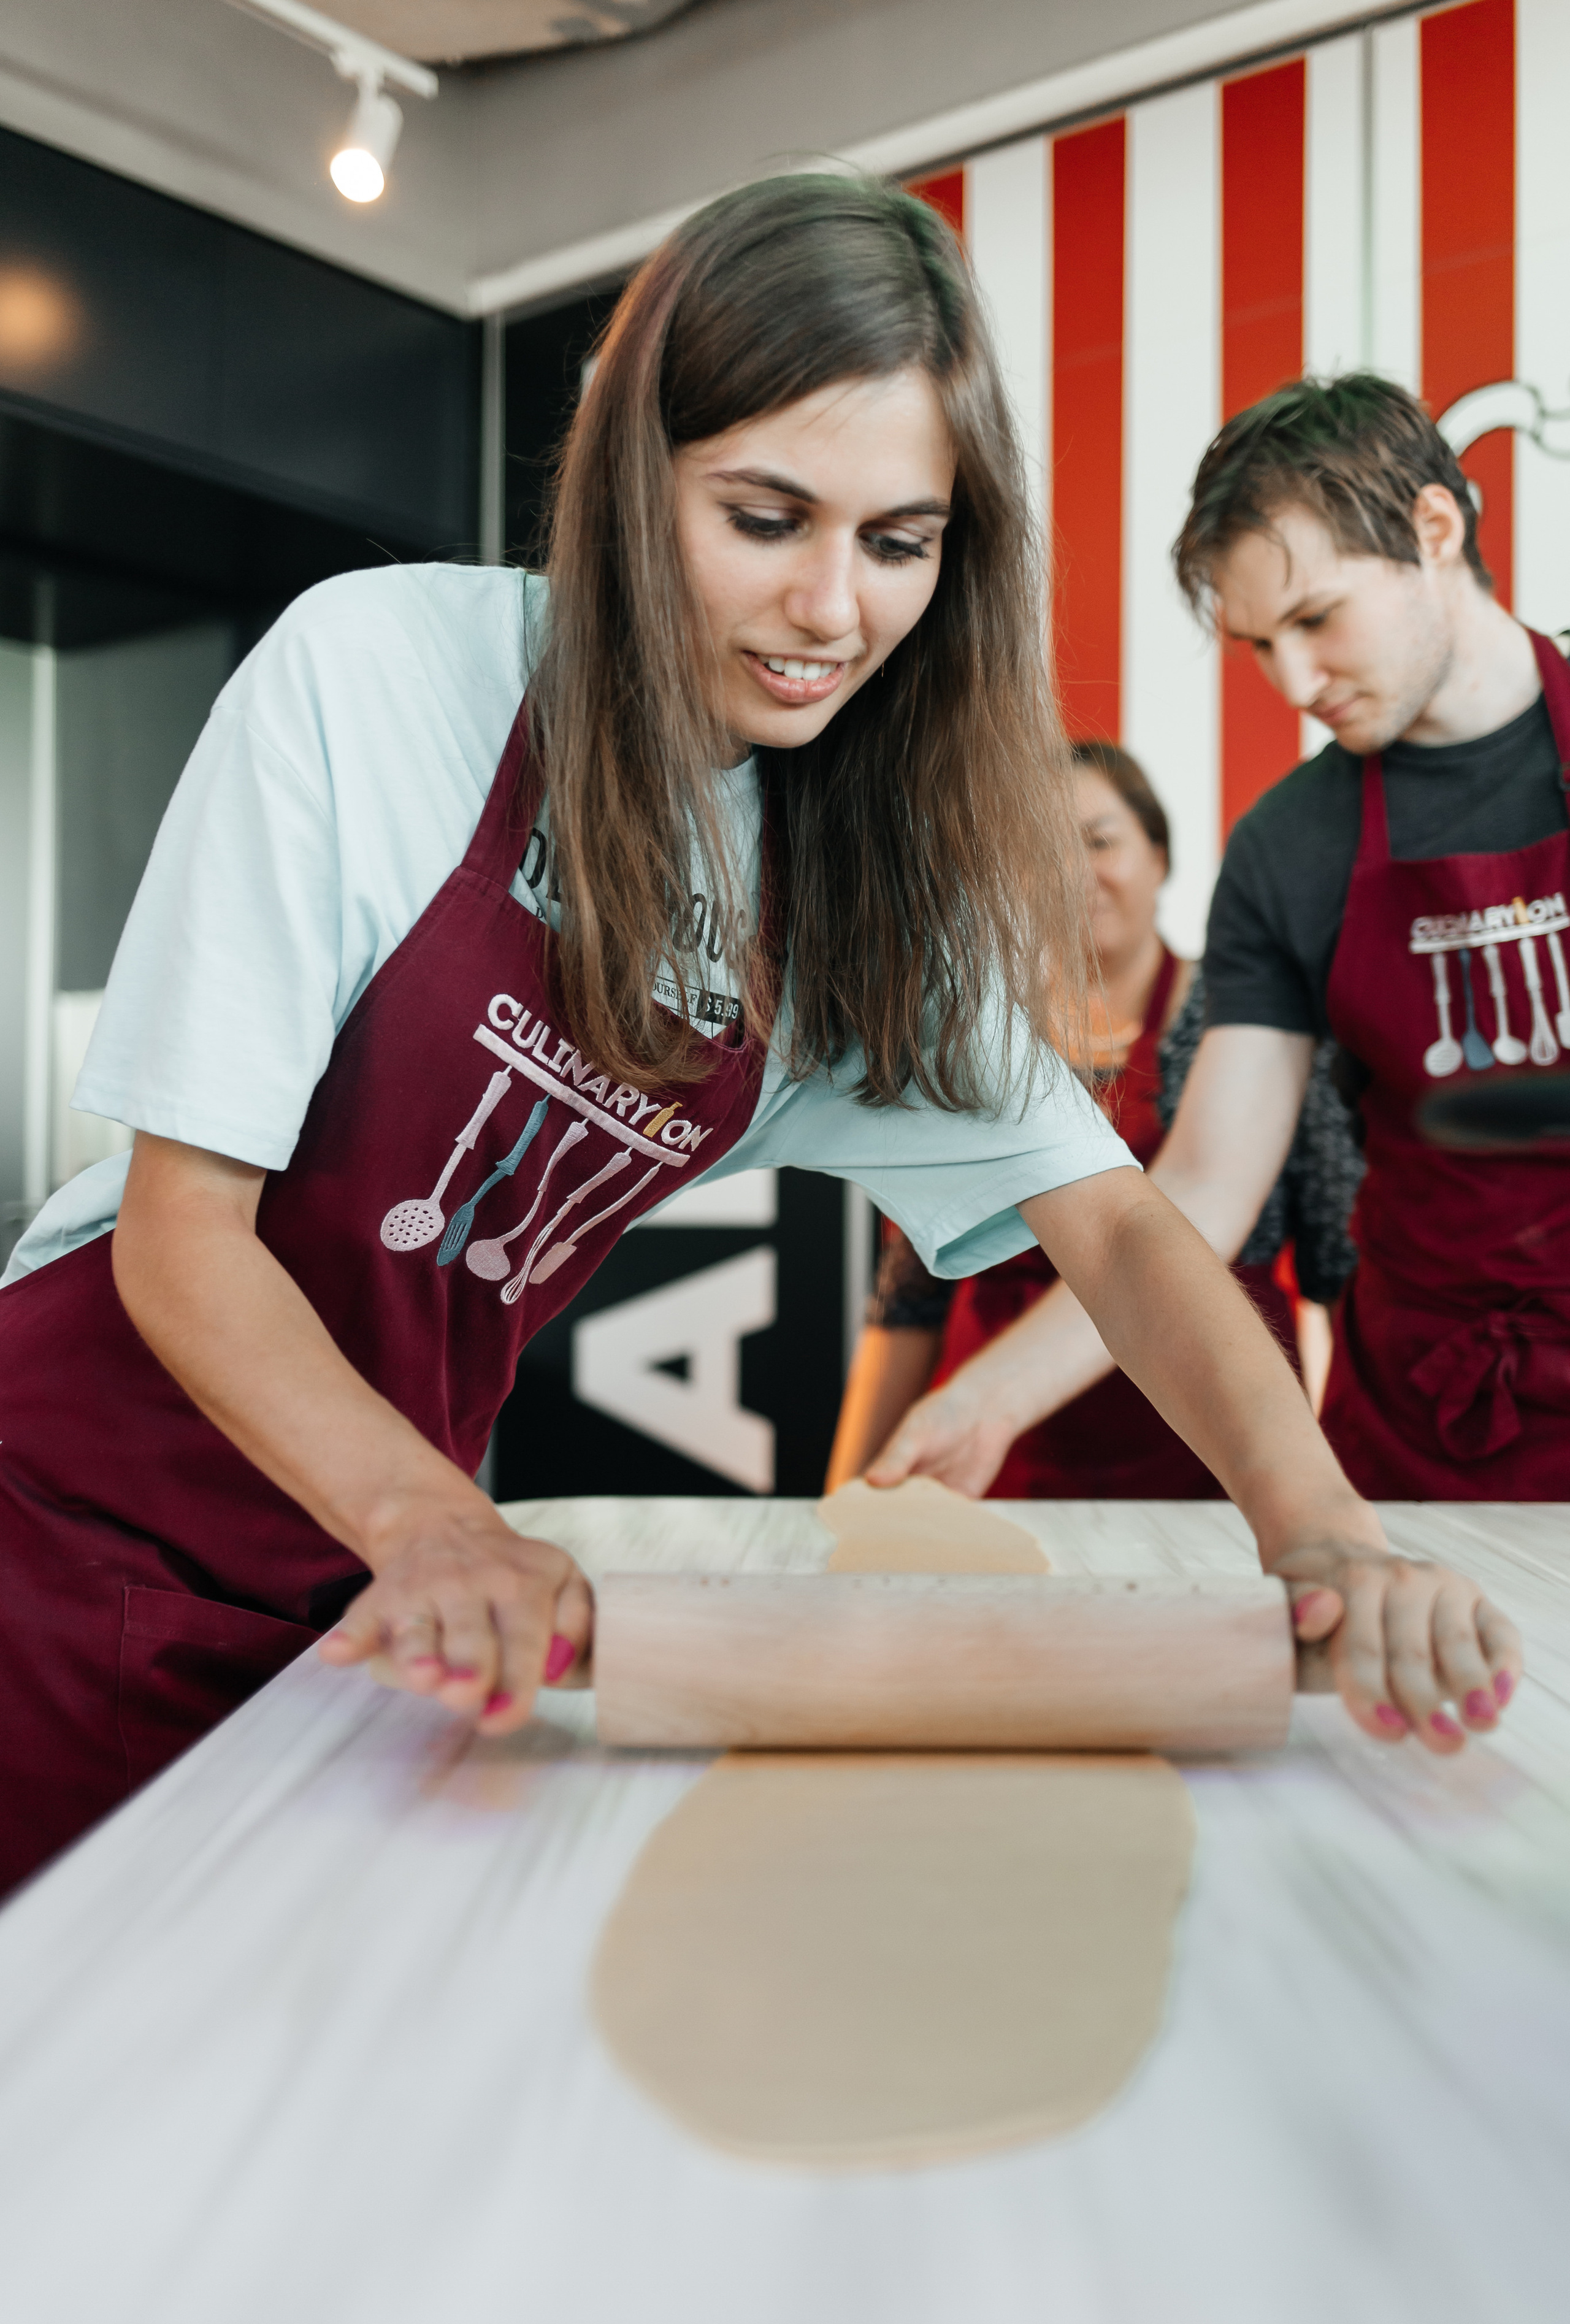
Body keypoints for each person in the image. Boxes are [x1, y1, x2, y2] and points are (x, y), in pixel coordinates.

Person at [0, 210, 1517, 1897]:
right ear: (631, 477)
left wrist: (1322, 1538)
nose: (829, 608)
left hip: (356, 1574)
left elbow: (1122, 1228)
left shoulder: (858, 893)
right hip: (63, 1519)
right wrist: (438, 1524)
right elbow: (182, 1236)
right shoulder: (381, 675)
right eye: (764, 517)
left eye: (899, 541)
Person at [864, 372, 1569, 1513]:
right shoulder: (1290, 846)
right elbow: (1203, 1185)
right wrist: (984, 1400)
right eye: (1259, 644)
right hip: (1428, 1438)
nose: (1296, 682)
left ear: (1436, 529)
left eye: (1317, 619)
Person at [827, 742, 1355, 1498]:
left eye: (1099, 841)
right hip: (986, 1464)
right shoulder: (968, 1035)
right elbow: (909, 1297)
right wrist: (843, 1499)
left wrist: (1326, 1497)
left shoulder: (1253, 1030)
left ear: (1159, 856)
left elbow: (1335, 1274)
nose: (1072, 872)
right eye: (1038, 849)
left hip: (1207, 1469)